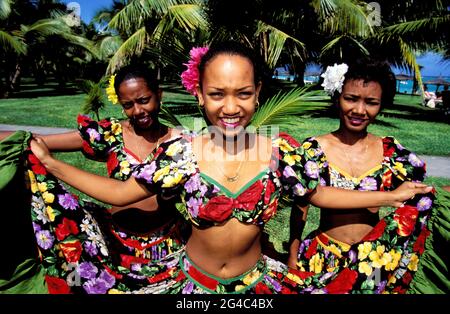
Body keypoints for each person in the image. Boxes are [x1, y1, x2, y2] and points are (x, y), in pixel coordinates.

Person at [25, 41, 432, 294]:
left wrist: (391, 196)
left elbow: (318, 194)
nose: (231, 107)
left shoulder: (280, 151)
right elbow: (119, 192)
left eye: (243, 93)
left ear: (258, 94)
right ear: (200, 95)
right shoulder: (180, 152)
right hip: (190, 285)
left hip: (258, 286)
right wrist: (52, 166)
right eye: (217, 94)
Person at [0, 65, 188, 293]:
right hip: (113, 243)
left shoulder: (182, 144)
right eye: (128, 105)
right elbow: (36, 141)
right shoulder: (112, 133)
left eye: (144, 100)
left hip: (167, 249)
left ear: (159, 94)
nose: (138, 110)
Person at [288, 59, 449, 294]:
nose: (359, 110)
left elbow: (419, 196)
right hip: (324, 256)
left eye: (371, 102)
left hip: (375, 260)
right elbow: (301, 207)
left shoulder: (391, 153)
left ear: (381, 105)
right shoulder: (314, 149)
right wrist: (293, 254)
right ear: (337, 97)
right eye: (351, 99)